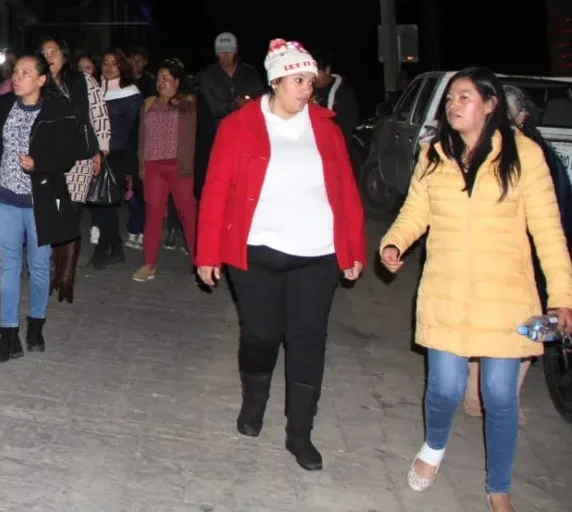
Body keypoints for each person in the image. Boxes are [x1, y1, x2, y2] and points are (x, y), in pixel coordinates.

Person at [379, 68, 572, 511]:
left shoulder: (524, 156)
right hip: (445, 290)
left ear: (490, 104)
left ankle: (498, 486)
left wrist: (562, 295)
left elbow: (548, 231)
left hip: (506, 296)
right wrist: (393, 242)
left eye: (463, 97)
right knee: (445, 388)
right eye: (449, 99)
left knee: (500, 397)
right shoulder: (433, 155)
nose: (452, 105)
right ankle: (433, 448)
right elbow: (414, 212)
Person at [196, 39, 365, 472]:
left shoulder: (326, 128)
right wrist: (208, 252)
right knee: (260, 337)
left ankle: (300, 433)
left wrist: (353, 248)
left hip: (318, 255)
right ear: (275, 80)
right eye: (297, 80)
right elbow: (216, 192)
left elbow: (346, 191)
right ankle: (254, 405)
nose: (306, 88)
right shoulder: (238, 126)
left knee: (308, 341)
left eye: (310, 80)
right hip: (257, 253)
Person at [462, 84, 572, 423]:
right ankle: (475, 396)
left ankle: (502, 398)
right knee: (487, 323)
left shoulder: (536, 154)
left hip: (530, 258)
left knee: (529, 330)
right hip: (496, 255)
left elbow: (555, 216)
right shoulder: (483, 150)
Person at [0, 54, 88, 361]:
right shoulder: (7, 104)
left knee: (39, 266)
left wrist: (40, 164)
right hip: (8, 197)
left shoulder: (58, 110)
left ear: (41, 80)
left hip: (41, 199)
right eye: (16, 72)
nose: (17, 76)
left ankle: (36, 324)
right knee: (9, 264)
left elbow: (68, 156)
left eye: (26, 73)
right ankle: (8, 334)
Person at [40, 38, 110, 302]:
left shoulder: (83, 81)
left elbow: (100, 115)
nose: (49, 57)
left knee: (70, 215)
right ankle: (52, 272)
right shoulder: (39, 83)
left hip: (80, 157)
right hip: (48, 159)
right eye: (44, 53)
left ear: (64, 56)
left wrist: (100, 151)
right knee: (52, 215)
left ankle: (66, 279)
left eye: (54, 52)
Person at [133, 60, 199, 282]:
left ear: (177, 81)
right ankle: (149, 264)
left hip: (180, 168)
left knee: (187, 215)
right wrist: (140, 167)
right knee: (152, 215)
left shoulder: (188, 103)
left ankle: (199, 263)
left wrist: (184, 99)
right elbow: (141, 138)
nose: (161, 82)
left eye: (166, 77)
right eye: (159, 77)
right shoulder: (148, 103)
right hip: (153, 167)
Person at [89, 48, 143, 267]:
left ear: (122, 67)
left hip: (118, 155)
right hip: (95, 154)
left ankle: (104, 248)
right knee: (98, 203)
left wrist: (132, 165)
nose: (109, 67)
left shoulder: (131, 94)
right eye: (105, 63)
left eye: (113, 63)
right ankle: (115, 247)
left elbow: (136, 131)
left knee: (106, 203)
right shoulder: (95, 91)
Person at [196, 32, 264, 128]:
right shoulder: (206, 75)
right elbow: (208, 106)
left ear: (235, 52)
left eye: (229, 52)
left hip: (247, 126)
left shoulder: (249, 72)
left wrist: (248, 101)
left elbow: (259, 96)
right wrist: (234, 105)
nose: (225, 56)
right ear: (216, 53)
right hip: (218, 129)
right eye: (221, 52)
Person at [311, 49, 358, 143]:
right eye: (311, 73)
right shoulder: (306, 90)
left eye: (318, 73)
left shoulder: (344, 94)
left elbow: (347, 128)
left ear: (327, 70)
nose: (313, 78)